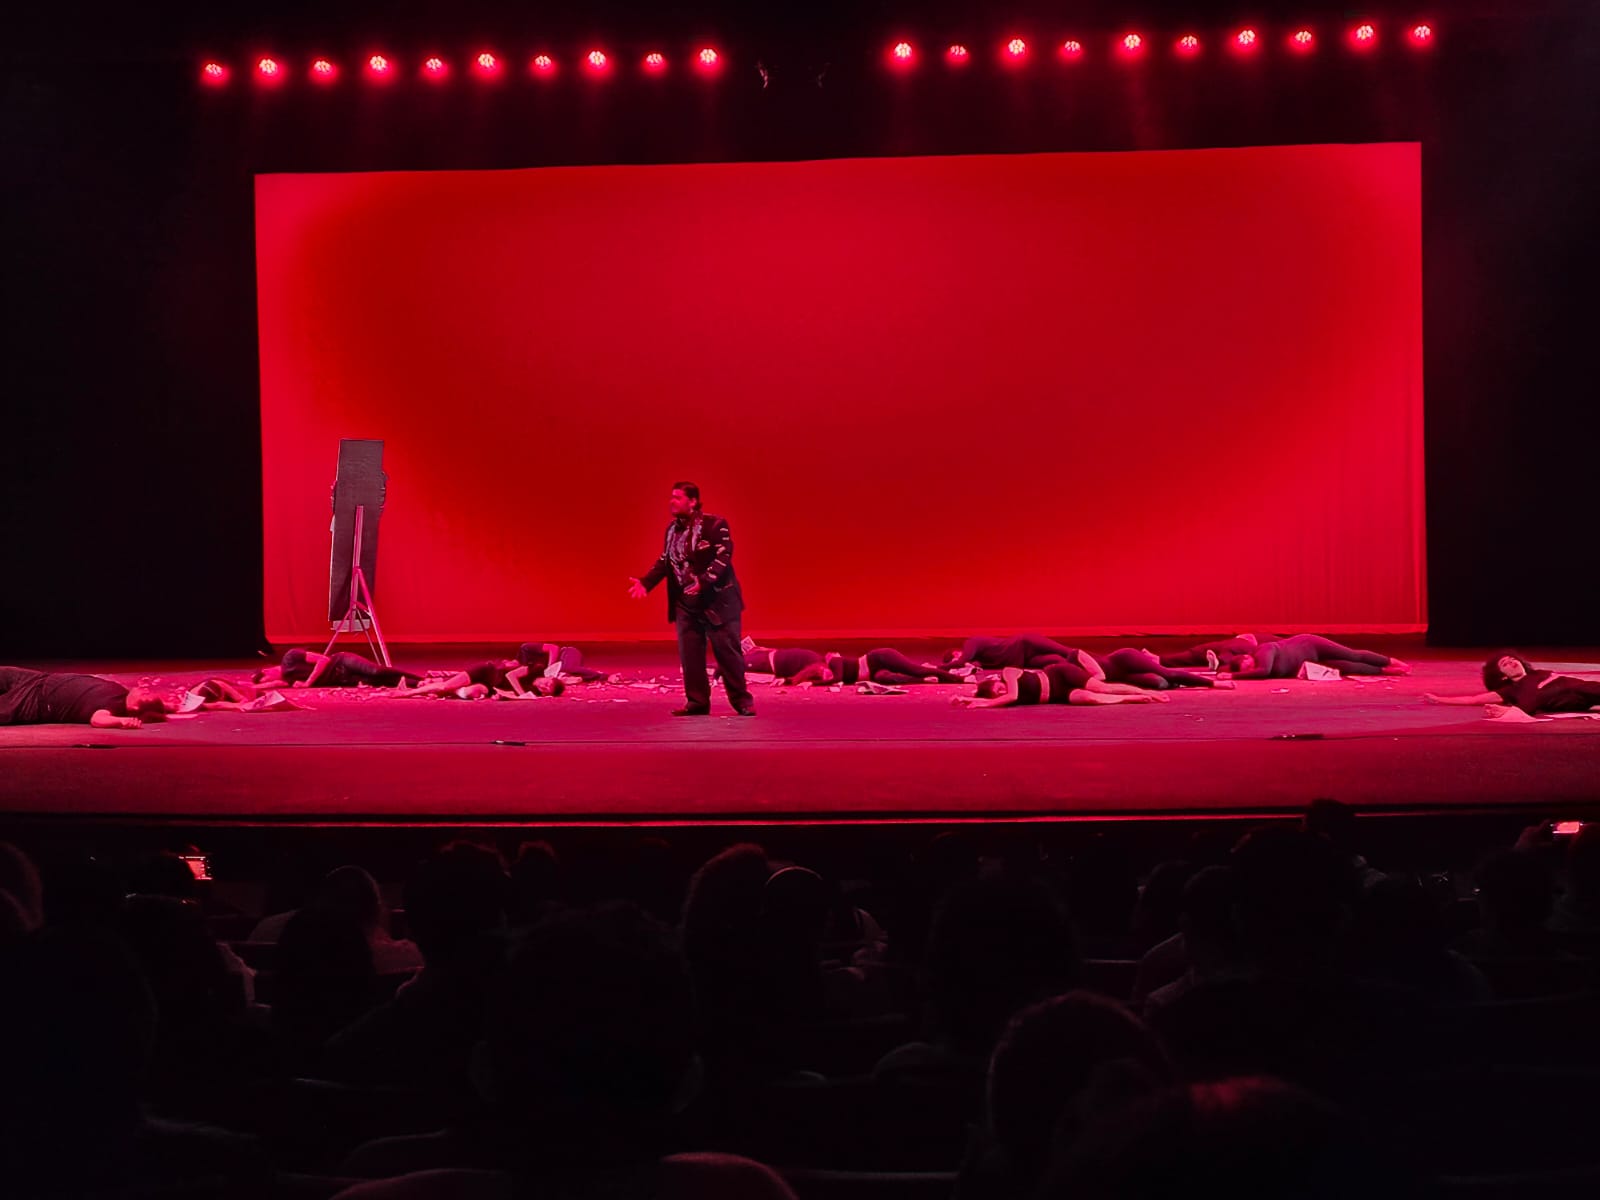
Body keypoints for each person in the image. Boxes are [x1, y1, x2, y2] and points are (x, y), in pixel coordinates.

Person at [627, 481, 754, 717]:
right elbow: (666, 560)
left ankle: (742, 701)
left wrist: (704, 581)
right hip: (686, 603)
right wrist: (646, 582)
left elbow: (723, 555)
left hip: (718, 601)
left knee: (728, 653)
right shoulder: (672, 530)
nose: (672, 502)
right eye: (671, 497)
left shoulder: (715, 525)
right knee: (691, 655)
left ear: (692, 501)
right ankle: (697, 702)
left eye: (677, 497)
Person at [1424, 653, 1600, 715]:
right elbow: (1473, 699)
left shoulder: (1539, 673)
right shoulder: (1512, 690)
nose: (1512, 662)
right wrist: (1440, 699)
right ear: (1502, 676)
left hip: (1582, 689)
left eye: (1512, 659)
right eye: (1505, 664)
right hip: (1565, 698)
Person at [0, 666, 167, 728]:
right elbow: (156, 709)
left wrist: (122, 722)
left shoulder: (113, 708)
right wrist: (169, 706)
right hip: (41, 679)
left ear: (135, 708)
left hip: (36, 701)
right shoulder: (122, 693)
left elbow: (98, 720)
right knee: (4, 672)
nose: (144, 691)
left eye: (145, 696)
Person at [954, 665, 1169, 709]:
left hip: (1060, 675)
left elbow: (1010, 696)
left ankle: (1145, 691)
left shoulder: (1008, 673)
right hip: (1059, 694)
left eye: (998, 688)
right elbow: (998, 698)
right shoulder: (1000, 698)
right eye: (996, 694)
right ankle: (1132, 698)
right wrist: (970, 699)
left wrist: (984, 704)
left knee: (1102, 689)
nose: (1001, 691)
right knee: (1090, 699)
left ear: (996, 681)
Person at [1216, 635, 1410, 680]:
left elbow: (1264, 671)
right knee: (1346, 668)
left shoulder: (1263, 651)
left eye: (1248, 666)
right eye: (1248, 670)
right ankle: (1384, 671)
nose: (1251, 670)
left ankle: (1390, 661)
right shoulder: (1255, 666)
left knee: (1352, 655)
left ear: (1247, 657)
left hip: (1310, 644)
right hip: (1308, 662)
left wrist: (1232, 677)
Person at [254, 648, 421, 690]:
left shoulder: (290, 658)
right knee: (377, 681)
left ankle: (420, 678)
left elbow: (323, 659)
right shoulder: (289, 680)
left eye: (270, 678)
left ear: (268, 671)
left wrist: (308, 683)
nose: (274, 682)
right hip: (343, 678)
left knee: (375, 671)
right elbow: (264, 687)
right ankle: (419, 684)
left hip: (342, 662)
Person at [784, 649, 966, 686]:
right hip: (874, 672)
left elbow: (837, 678)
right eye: (822, 678)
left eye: (824, 674)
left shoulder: (834, 662)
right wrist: (788, 681)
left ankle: (958, 678)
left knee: (916, 669)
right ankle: (927, 680)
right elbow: (798, 677)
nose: (827, 677)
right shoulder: (831, 670)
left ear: (822, 667)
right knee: (884, 679)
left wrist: (813, 684)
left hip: (880, 657)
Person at [398, 661, 564, 701]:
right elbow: (511, 676)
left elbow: (507, 693)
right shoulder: (536, 670)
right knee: (445, 686)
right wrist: (521, 695)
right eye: (548, 683)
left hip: (490, 687)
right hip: (486, 672)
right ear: (550, 677)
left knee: (468, 692)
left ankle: (418, 687)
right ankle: (407, 693)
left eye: (546, 690)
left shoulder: (533, 692)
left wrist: (502, 697)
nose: (544, 686)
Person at [1094, 648, 1233, 691]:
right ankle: (1180, 682)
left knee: (1168, 674)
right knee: (1159, 683)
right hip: (1118, 676)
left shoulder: (1080, 655)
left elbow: (1099, 676)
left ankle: (1212, 683)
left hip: (1124, 660)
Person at [944, 634, 1085, 672]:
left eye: (954, 660)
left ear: (956, 653)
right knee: (1056, 660)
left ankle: (1095, 662)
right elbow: (970, 666)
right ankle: (1085, 671)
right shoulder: (978, 660)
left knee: (1067, 651)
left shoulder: (971, 643)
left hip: (1024, 643)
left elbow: (962, 661)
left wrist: (937, 668)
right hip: (1024, 659)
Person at [515, 642, 615, 684]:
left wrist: (550, 667)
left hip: (567, 653)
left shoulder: (525, 649)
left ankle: (604, 676)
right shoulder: (526, 670)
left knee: (568, 668)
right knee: (564, 676)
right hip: (560, 669)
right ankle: (580, 676)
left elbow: (553, 648)